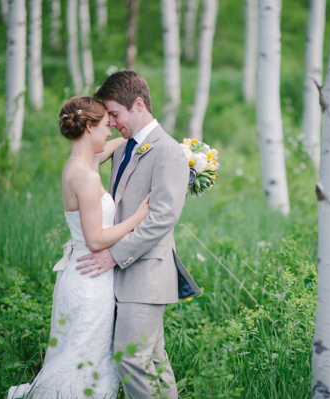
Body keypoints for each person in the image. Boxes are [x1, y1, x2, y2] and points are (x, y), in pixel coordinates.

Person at [8, 96, 151, 399]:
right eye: (104, 126)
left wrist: (149, 140)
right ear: (88, 127)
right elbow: (95, 239)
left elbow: (117, 145)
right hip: (89, 280)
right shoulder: (84, 177)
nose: (110, 131)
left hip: (82, 274)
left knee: (81, 354)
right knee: (82, 357)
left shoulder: (81, 164)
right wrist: (138, 217)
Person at [75, 71, 202, 399]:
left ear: (139, 104)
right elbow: (84, 159)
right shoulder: (124, 147)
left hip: (146, 273)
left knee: (130, 357)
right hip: (124, 275)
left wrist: (113, 254)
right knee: (152, 359)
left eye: (115, 114)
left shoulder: (169, 152)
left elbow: (162, 218)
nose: (113, 122)